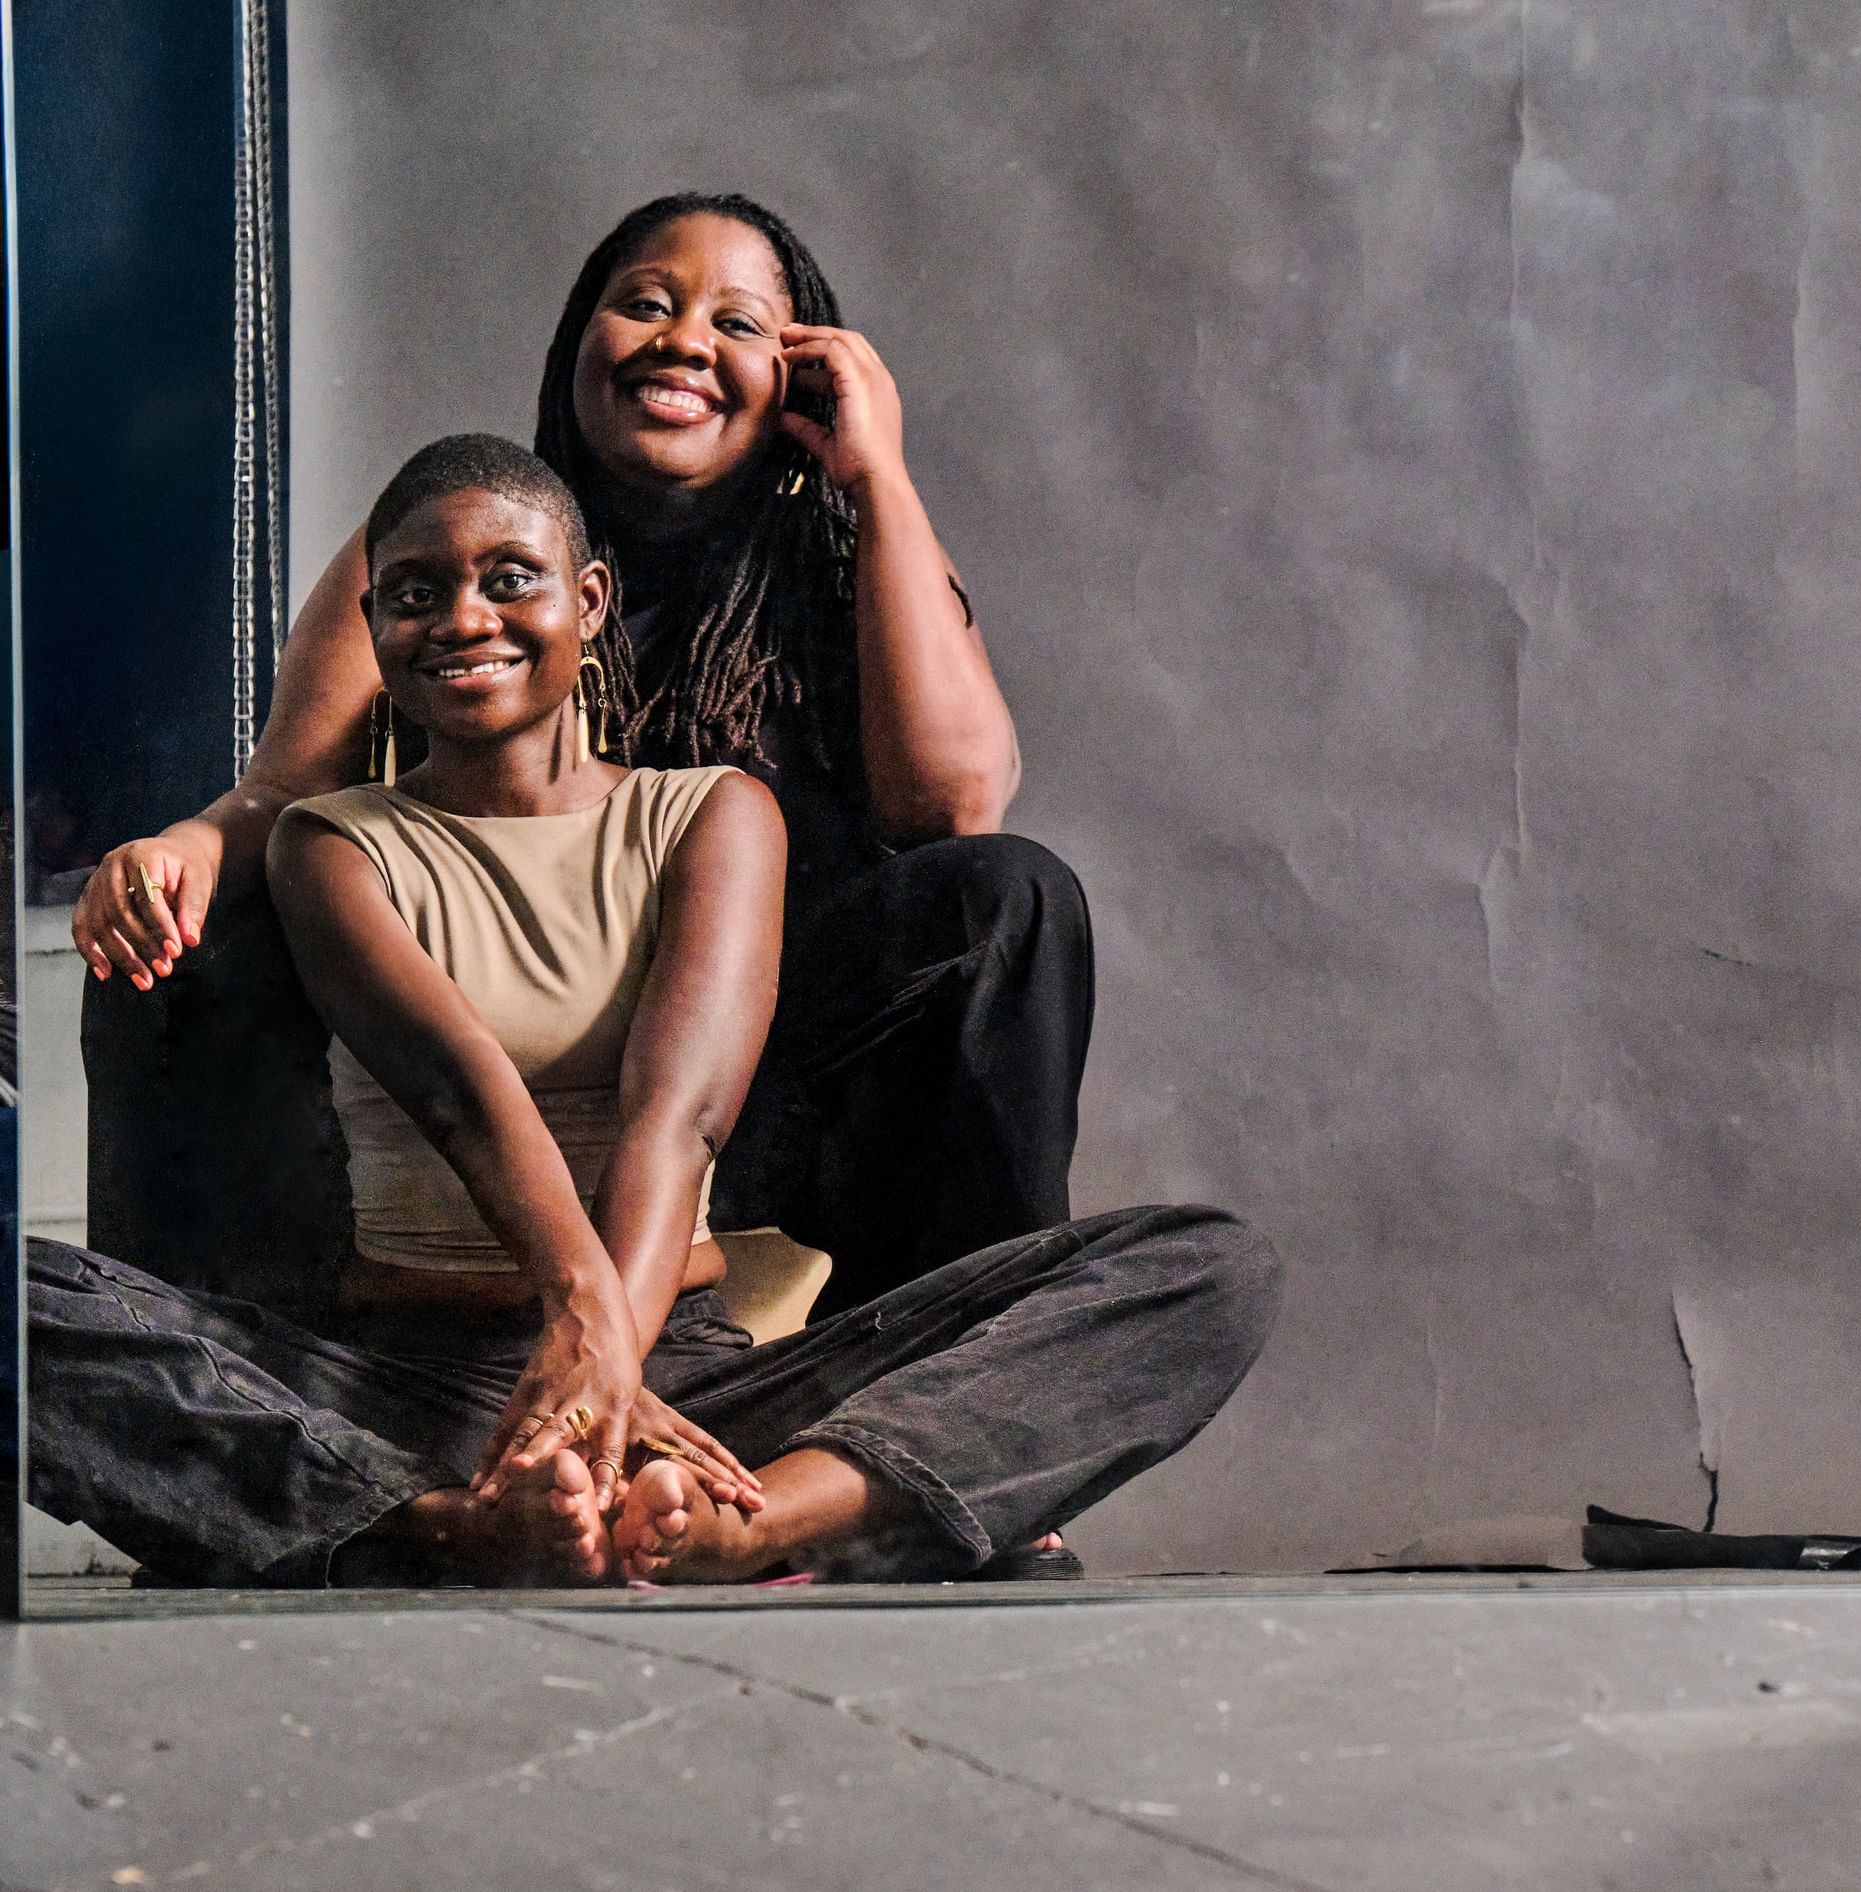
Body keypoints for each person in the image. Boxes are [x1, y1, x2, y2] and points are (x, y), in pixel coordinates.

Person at [29, 437, 1277, 1587]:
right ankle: (446, 1525)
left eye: (510, 578)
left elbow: (677, 1116)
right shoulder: (330, 844)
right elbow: (467, 1094)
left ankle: (748, 1521)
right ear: (373, 626)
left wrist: (608, 1360)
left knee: (1203, 1266)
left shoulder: (713, 812)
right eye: (414, 594)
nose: (462, 618)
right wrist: (578, 1344)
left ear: (589, 603)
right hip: (398, 1381)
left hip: (689, 1376)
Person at [73, 192, 1085, 1322]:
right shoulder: (449, 536)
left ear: (799, 376)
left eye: (738, 324)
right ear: (578, 343)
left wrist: (879, 479)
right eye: (643, 302)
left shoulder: (848, 561)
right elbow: (288, 787)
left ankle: (939, 1407)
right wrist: (180, 850)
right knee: (173, 946)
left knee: (1007, 899)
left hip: (745, 1088)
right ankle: (198, 1387)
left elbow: (953, 805)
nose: (683, 339)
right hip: (462, 1056)